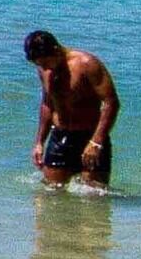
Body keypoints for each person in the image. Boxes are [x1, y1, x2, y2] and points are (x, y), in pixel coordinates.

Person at [24, 30, 118, 189]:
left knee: (94, 196)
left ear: (56, 50)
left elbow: (111, 103)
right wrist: (39, 142)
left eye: (46, 63)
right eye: (39, 65)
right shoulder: (43, 69)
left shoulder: (87, 64)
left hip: (89, 136)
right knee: (50, 193)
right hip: (60, 137)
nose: (44, 68)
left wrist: (96, 142)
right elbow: (47, 103)